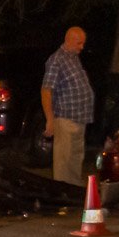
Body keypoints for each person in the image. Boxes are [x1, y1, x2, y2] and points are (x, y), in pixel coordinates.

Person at [41, 26, 94, 186]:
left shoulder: (73, 58)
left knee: (75, 158)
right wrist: (50, 119)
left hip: (79, 119)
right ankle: (61, 193)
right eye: (79, 43)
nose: (82, 47)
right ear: (69, 40)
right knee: (64, 161)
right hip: (65, 120)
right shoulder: (57, 60)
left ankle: (73, 191)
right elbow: (46, 90)